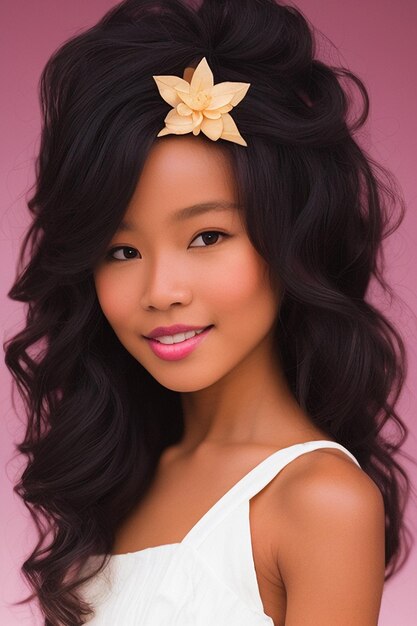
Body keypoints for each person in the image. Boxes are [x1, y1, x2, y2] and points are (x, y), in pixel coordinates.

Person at [4, 0, 413, 624]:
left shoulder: (320, 502)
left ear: (288, 241)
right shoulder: (124, 474)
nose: (161, 289)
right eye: (122, 250)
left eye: (206, 237)